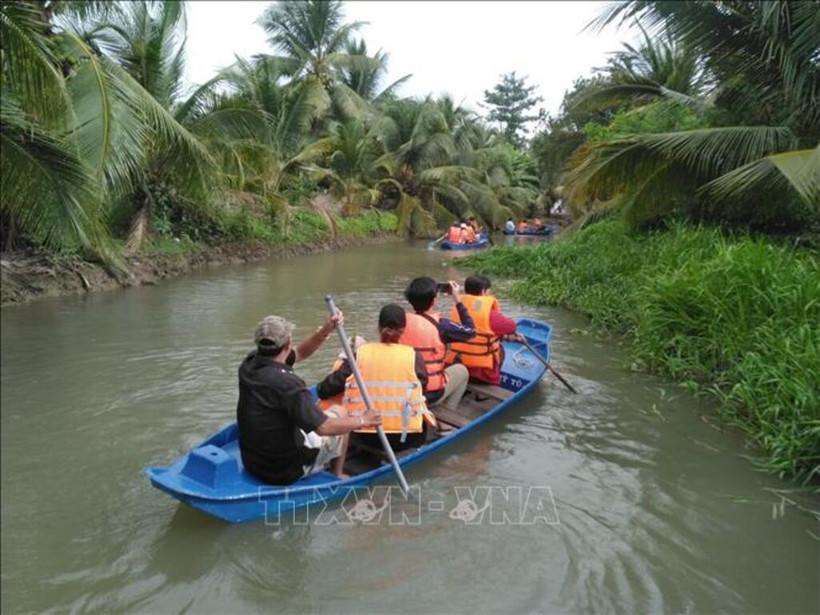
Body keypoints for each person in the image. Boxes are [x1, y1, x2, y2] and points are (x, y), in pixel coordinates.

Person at [236, 314, 380, 486]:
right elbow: (323, 427)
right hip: (284, 471)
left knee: (331, 415)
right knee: (342, 414)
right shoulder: (289, 384)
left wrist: (325, 331)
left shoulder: (250, 363)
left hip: (252, 462)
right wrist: (364, 419)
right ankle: (337, 474)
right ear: (288, 344)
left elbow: (301, 353)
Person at [343, 304, 433, 450]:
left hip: (363, 435)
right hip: (407, 438)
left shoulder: (360, 353)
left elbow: (328, 387)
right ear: (404, 330)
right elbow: (422, 390)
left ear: (378, 327)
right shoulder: (413, 356)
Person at [400, 277, 476, 412]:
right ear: (434, 300)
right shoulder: (442, 325)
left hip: (403, 389)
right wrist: (457, 300)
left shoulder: (399, 321)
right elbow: (471, 331)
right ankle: (445, 417)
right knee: (462, 370)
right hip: (429, 394)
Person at [445, 275, 517, 385]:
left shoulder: (458, 306)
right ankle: (489, 386)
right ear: (483, 291)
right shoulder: (490, 314)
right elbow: (512, 326)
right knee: (500, 349)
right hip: (481, 373)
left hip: (457, 363)